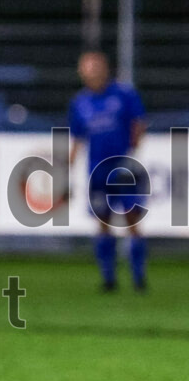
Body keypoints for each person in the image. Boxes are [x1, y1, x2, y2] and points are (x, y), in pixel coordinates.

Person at [68, 50, 148, 291]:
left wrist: (131, 151)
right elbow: (78, 138)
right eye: (86, 68)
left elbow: (139, 123)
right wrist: (68, 168)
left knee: (132, 218)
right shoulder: (79, 102)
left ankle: (138, 278)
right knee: (102, 221)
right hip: (97, 171)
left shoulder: (124, 94)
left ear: (104, 68)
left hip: (122, 167)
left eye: (94, 67)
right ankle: (109, 278)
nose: (90, 72)